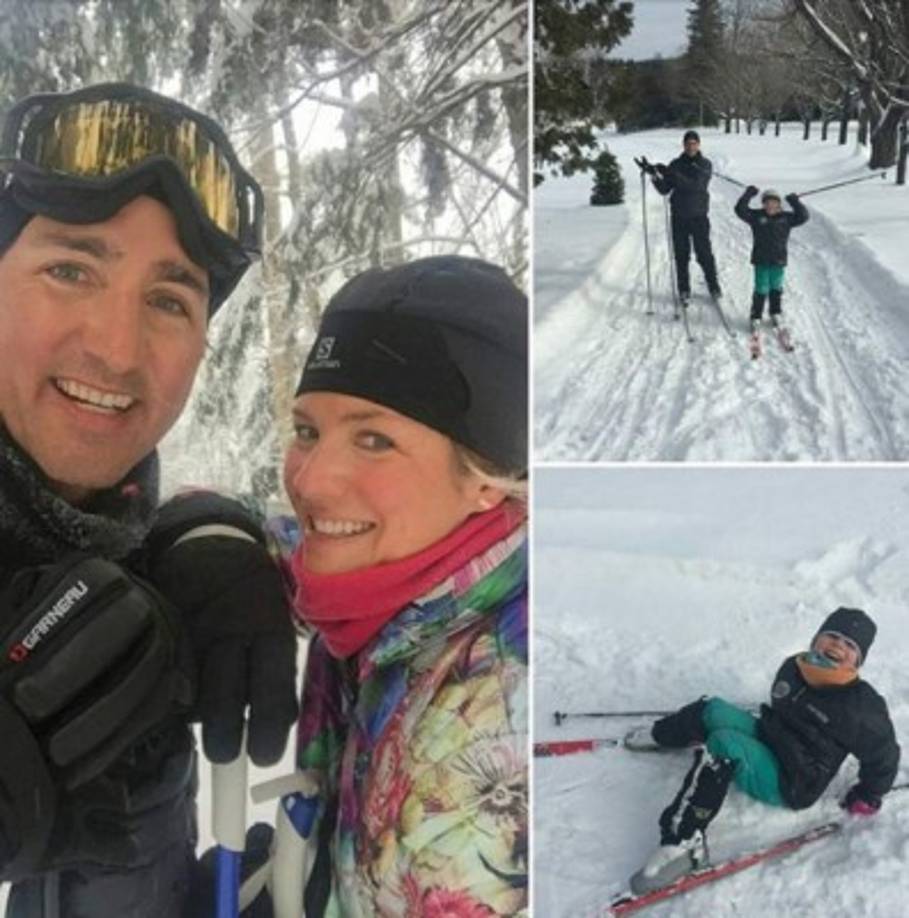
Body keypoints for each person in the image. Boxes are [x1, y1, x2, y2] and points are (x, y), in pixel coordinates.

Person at [0, 83, 298, 916]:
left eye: (169, 299)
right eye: (70, 268)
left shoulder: (115, 542)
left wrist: (203, 529)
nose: (116, 348)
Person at [255, 255, 528, 916]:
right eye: (306, 431)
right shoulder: (386, 582)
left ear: (485, 477)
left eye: (374, 440)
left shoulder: (479, 743)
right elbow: (293, 543)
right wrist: (205, 530)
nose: (311, 481)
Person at [625, 607, 900, 895]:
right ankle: (663, 734)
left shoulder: (861, 708)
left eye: (849, 645)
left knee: (723, 744)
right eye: (832, 635)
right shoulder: (794, 668)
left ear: (859, 661)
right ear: (816, 639)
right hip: (772, 737)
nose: (837, 646)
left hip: (792, 780)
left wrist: (869, 794)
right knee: (713, 709)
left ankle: (684, 843)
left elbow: (884, 755)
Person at [641, 129, 721, 307]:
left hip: (699, 216)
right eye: (688, 143)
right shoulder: (675, 164)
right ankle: (684, 289)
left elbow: (696, 185)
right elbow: (665, 189)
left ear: (698, 144)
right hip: (679, 217)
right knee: (681, 255)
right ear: (683, 145)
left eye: (694, 143)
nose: (691, 146)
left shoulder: (705, 164)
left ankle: (714, 286)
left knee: (704, 254)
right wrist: (654, 174)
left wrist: (669, 172)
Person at [734, 186, 809, 330]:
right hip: (761, 259)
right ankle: (756, 316)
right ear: (763, 204)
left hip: (778, 260)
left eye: (773, 202)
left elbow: (803, 216)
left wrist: (795, 201)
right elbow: (740, 210)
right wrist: (748, 194)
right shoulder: (757, 217)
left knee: (776, 287)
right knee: (761, 288)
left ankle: (775, 312)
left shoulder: (786, 218)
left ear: (779, 204)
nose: (770, 206)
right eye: (766, 203)